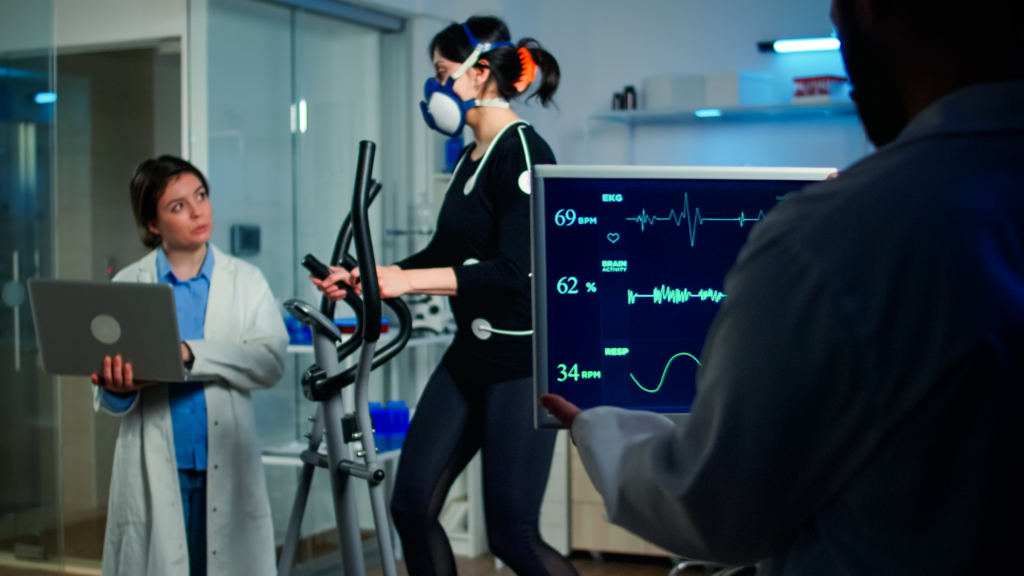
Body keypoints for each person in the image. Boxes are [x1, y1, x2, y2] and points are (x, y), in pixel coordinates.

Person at [541, 0, 1024, 574]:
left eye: (837, 25)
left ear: (872, 12)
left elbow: (717, 506)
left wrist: (598, 430)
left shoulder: (835, 238)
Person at [313, 16, 577, 576]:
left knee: (514, 536)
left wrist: (405, 283)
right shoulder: (467, 157)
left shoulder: (524, 153)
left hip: (520, 365)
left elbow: (513, 270)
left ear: (480, 73)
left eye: (441, 73)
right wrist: (368, 277)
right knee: (411, 506)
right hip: (470, 357)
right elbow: (444, 251)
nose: (435, 89)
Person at [91, 156, 289, 576]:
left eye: (200, 196)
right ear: (153, 225)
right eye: (178, 206)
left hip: (226, 456)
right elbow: (109, 394)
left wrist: (188, 352)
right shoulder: (128, 285)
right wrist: (118, 386)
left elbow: (270, 362)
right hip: (156, 459)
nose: (198, 211)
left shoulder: (246, 281)